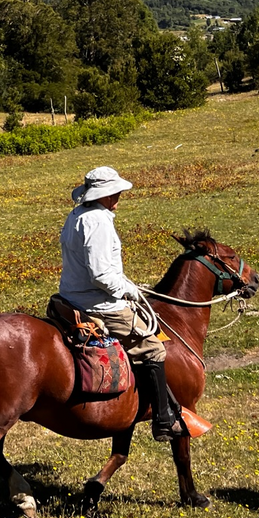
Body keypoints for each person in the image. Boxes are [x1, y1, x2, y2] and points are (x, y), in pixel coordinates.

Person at [57, 165, 187, 441]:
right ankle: (163, 419)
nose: (118, 197)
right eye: (114, 192)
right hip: (99, 303)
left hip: (70, 297)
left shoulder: (77, 215)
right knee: (152, 348)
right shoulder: (99, 222)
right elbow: (102, 275)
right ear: (102, 195)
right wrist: (128, 290)